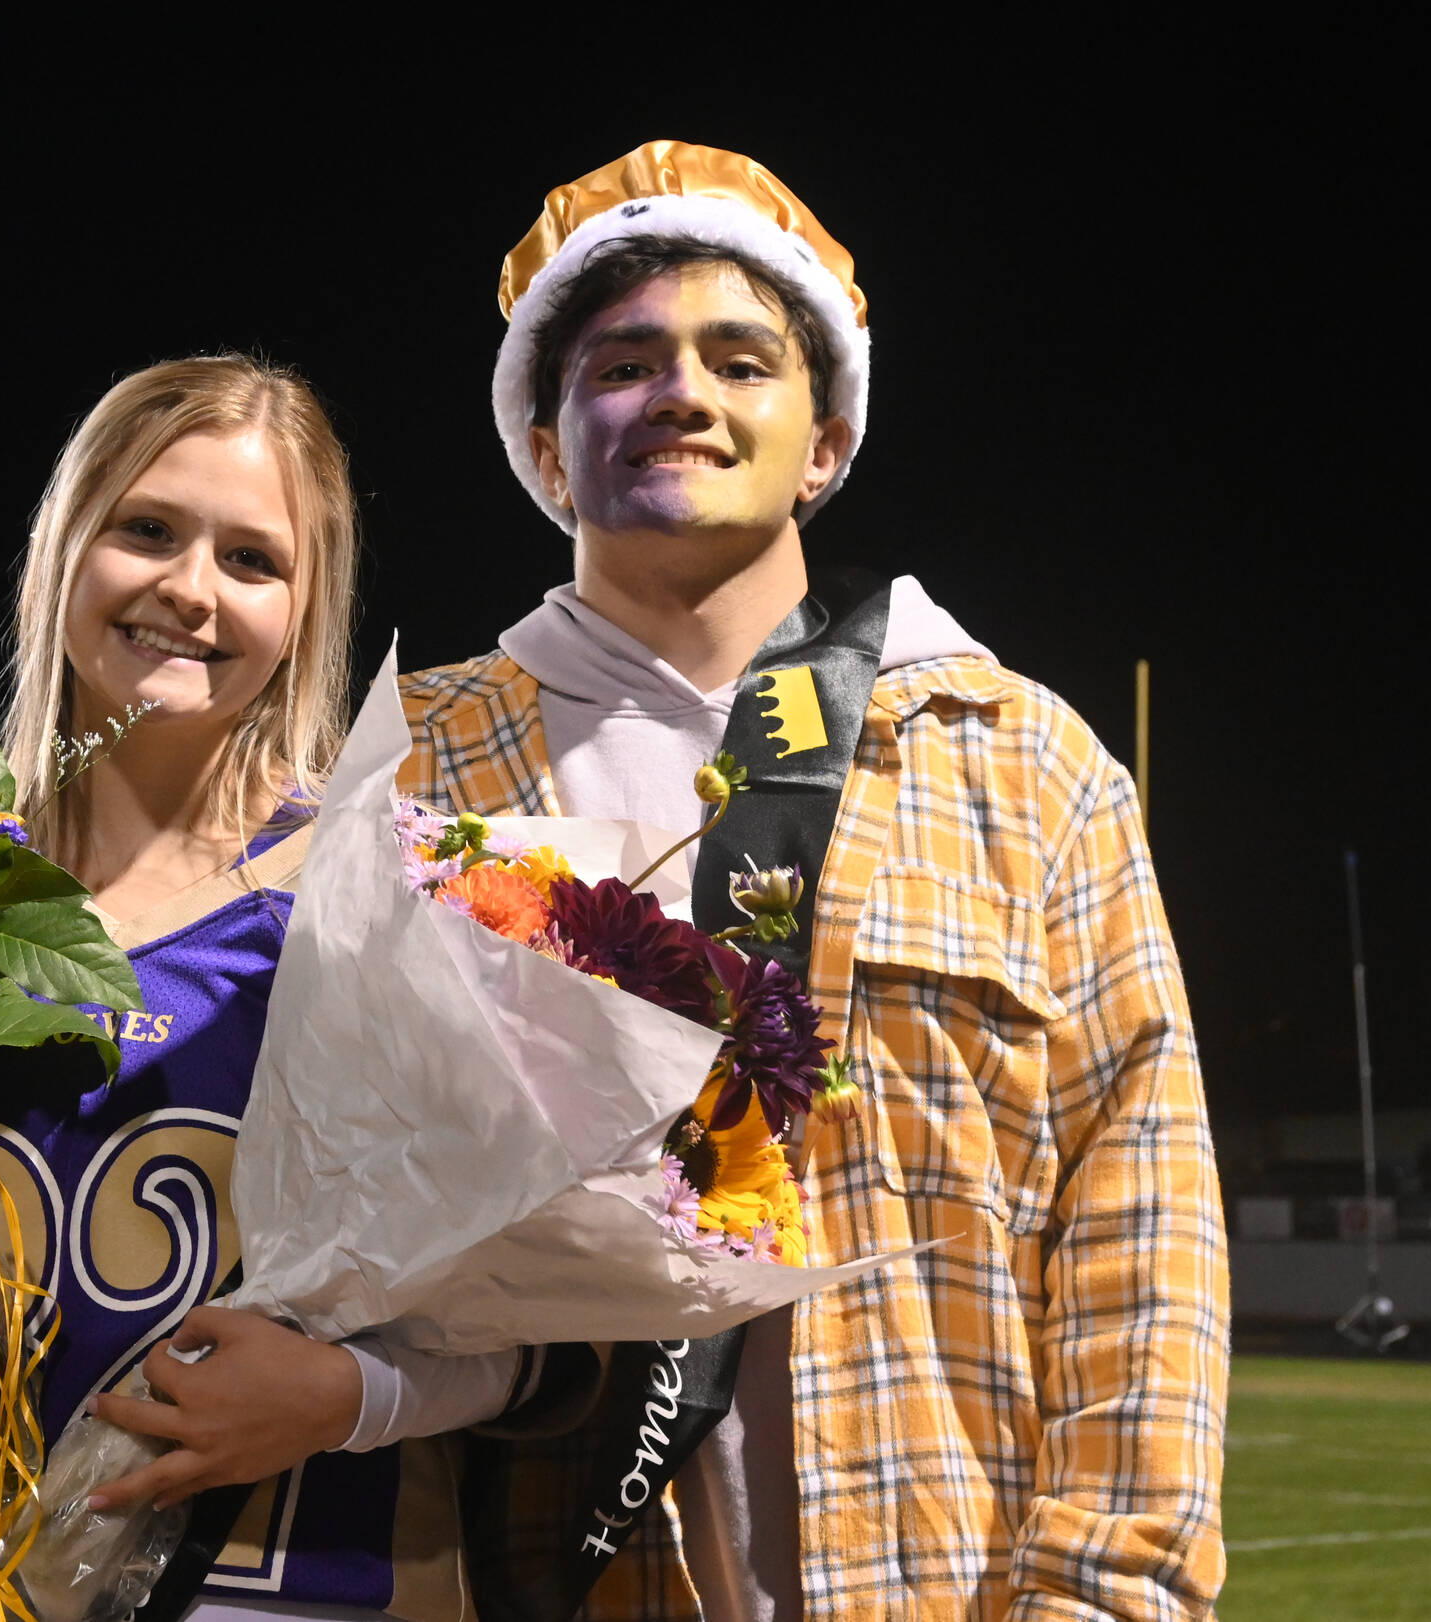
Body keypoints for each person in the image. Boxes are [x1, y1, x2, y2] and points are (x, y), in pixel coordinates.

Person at [397, 143, 1229, 1620]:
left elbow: (1137, 1216)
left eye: (740, 358)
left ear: (827, 438)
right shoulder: (413, 771)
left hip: (946, 1581)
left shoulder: (1019, 759)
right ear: (542, 445)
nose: (685, 393)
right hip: (547, 1573)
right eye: (623, 361)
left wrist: (1109, 1595)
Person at [0, 355, 521, 1621]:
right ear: (66, 548)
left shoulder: (391, 899)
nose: (188, 589)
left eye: (251, 558)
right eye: (148, 530)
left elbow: (515, 1329)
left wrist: (344, 1393)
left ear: (306, 606)